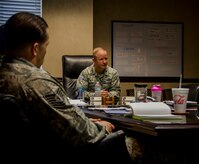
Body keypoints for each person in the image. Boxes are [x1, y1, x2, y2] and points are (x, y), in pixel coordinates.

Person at [0, 12, 132, 163]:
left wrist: (86, 122)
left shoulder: (4, 73)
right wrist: (103, 127)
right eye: (46, 45)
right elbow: (82, 134)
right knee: (136, 143)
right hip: (68, 152)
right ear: (35, 49)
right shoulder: (37, 81)